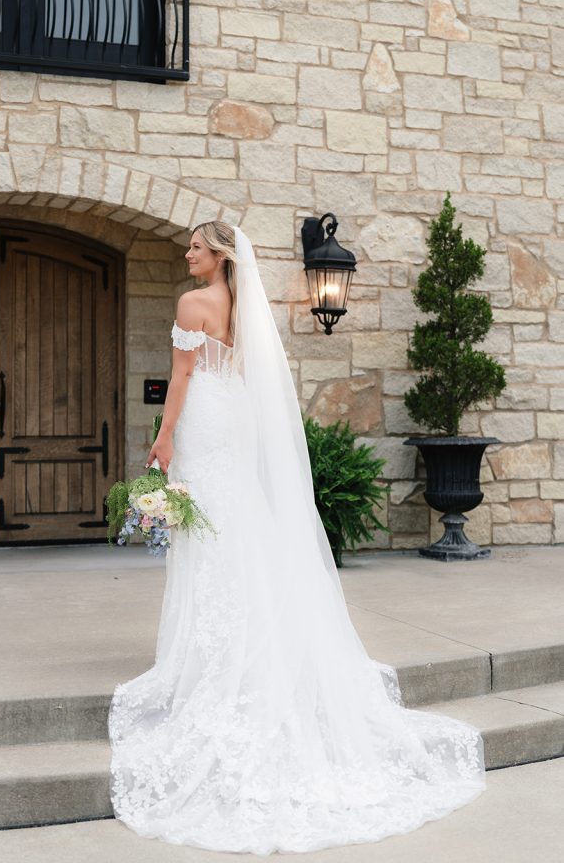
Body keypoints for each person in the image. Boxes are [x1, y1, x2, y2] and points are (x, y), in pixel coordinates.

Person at [108, 222, 485, 855]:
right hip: (233, 420)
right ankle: (252, 635)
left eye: (196, 247)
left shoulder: (192, 302)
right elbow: (247, 379)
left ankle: (214, 656)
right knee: (236, 523)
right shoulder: (244, 306)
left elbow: (181, 376)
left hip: (203, 419)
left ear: (219, 255)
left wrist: (164, 438)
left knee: (208, 529)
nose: (188, 254)